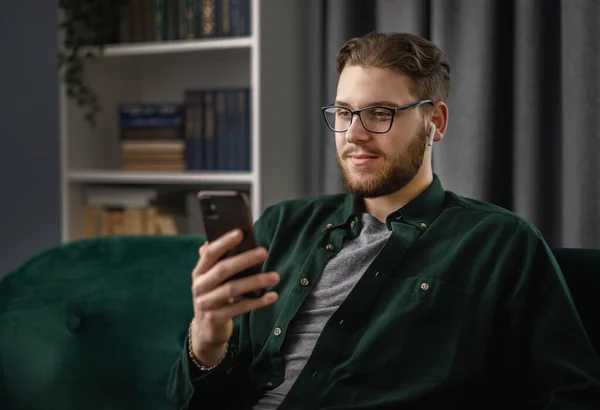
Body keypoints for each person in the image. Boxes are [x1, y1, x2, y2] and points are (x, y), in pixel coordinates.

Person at [167, 32, 600, 409]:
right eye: (343, 112)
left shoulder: (500, 243)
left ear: (436, 122)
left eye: (379, 113)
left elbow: (573, 393)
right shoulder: (281, 225)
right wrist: (207, 341)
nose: (354, 133)